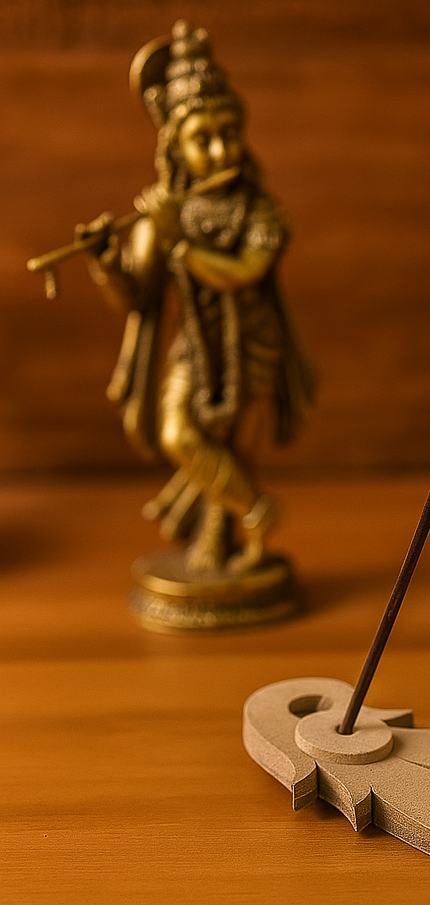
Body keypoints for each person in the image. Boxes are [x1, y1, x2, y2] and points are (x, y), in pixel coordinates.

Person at [82, 21, 315, 575]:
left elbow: (244, 271)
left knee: (232, 454)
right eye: (203, 138)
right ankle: (258, 512)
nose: (220, 149)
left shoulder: (257, 208)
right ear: (176, 146)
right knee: (178, 435)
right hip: (195, 350)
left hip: (254, 350)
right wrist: (106, 263)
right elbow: (137, 297)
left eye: (229, 132)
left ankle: (223, 543)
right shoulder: (162, 211)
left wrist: (179, 237)